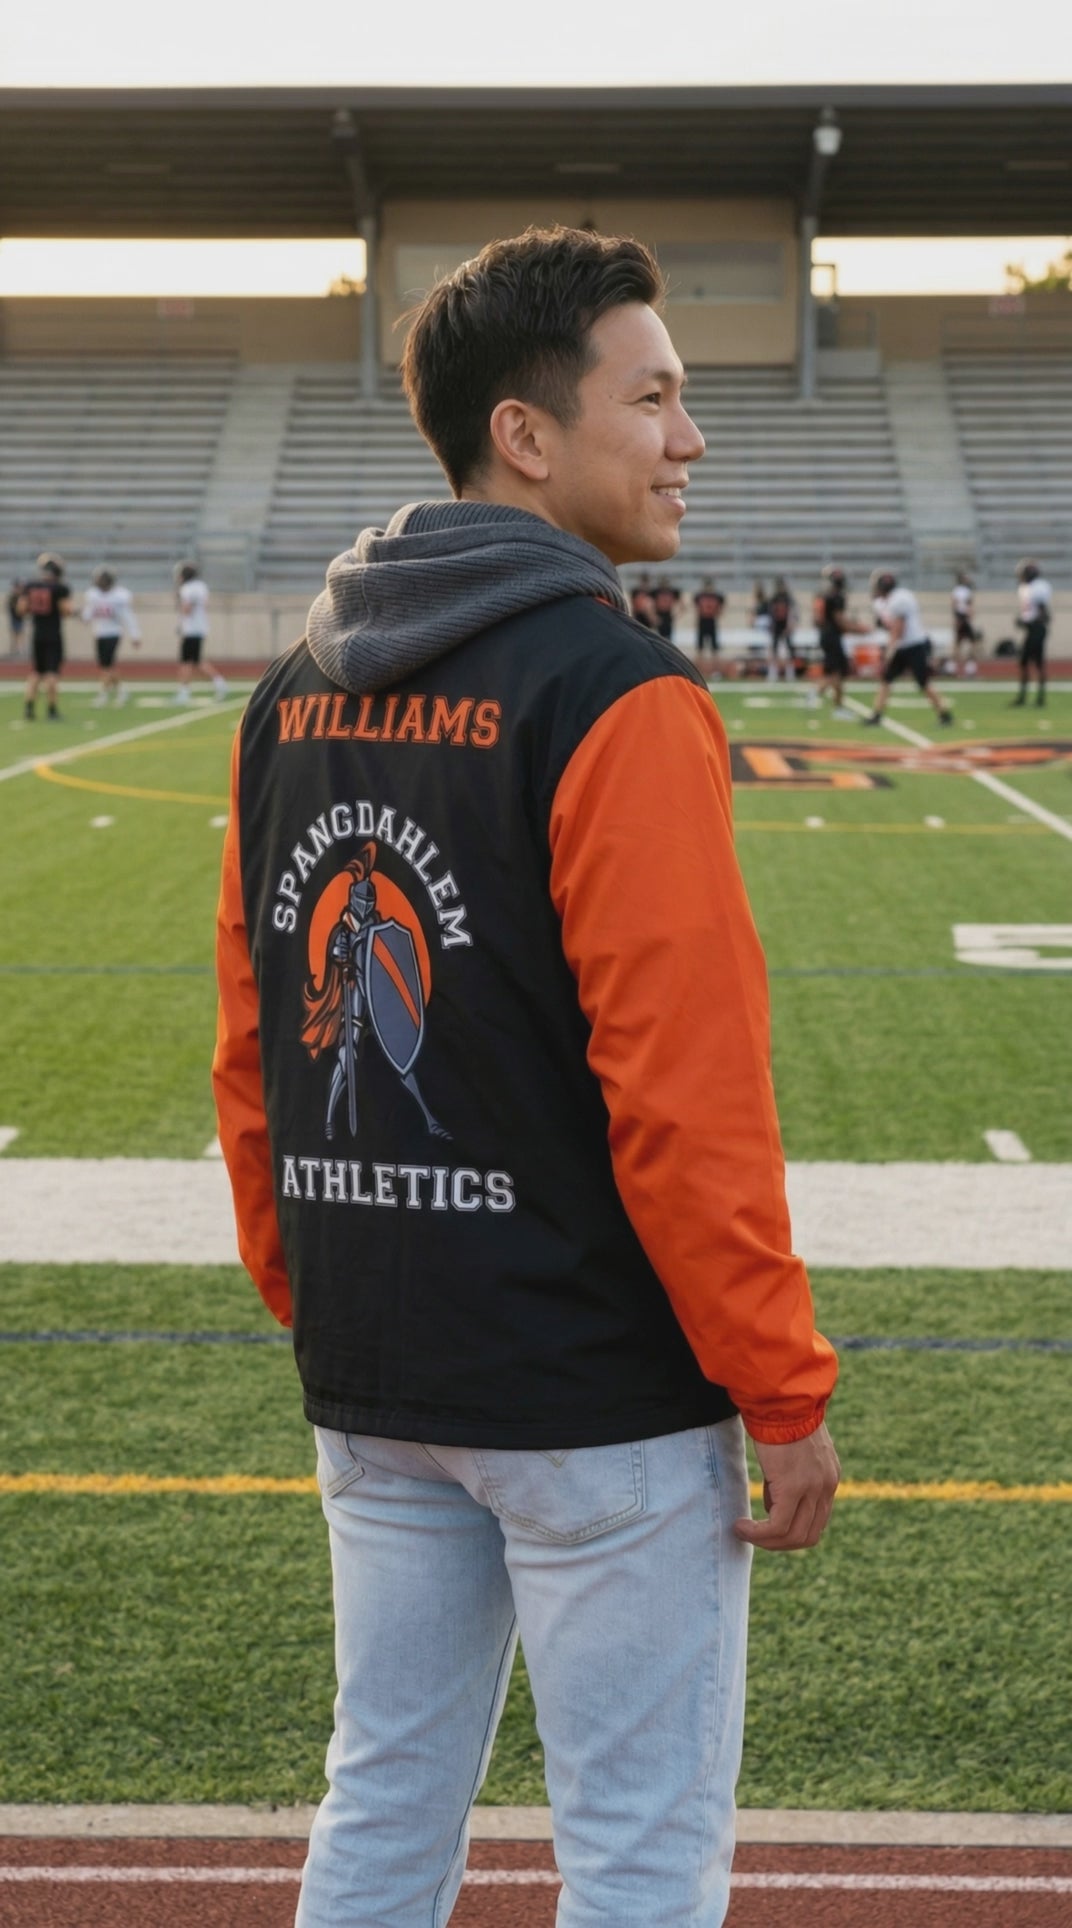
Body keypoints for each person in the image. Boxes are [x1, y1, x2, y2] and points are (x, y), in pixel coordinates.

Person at [213, 225, 839, 1928]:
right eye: (654, 397)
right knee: (637, 1845)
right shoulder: (614, 692)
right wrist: (777, 1383)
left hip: (375, 1353)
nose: (689, 438)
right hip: (591, 1387)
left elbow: (253, 1055)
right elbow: (685, 1092)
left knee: (384, 1795)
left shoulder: (289, 696)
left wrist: (320, 1292)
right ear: (526, 434)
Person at [863, 569, 953, 727]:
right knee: (886, 679)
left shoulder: (899, 600)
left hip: (913, 645)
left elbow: (899, 629)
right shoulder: (894, 598)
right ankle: (876, 715)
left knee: (923, 682)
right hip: (904, 645)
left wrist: (889, 652)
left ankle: (945, 715)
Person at [18, 553, 72, 721]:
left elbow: (21, 609)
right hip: (53, 634)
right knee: (51, 674)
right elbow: (66, 611)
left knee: (36, 672)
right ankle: (52, 710)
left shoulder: (31, 586)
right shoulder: (59, 588)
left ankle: (29, 708)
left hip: (37, 633)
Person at [808, 565, 867, 718]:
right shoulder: (836, 597)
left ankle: (821, 696)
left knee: (834, 671)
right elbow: (840, 621)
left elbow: (817, 618)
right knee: (837, 673)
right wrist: (859, 629)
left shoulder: (823, 595)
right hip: (832, 636)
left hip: (826, 635)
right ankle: (829, 702)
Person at [82, 567, 141, 707]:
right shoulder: (94, 595)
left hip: (113, 633)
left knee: (107, 666)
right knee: (106, 666)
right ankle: (122, 690)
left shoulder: (119, 596)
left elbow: (128, 617)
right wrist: (84, 617)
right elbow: (89, 612)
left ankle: (103, 694)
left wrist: (135, 635)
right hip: (99, 633)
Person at [173, 562, 227, 702]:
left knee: (186, 662)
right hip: (200, 627)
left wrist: (181, 621)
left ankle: (185, 692)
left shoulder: (187, 589)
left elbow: (187, 609)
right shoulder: (201, 586)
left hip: (191, 629)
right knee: (196, 661)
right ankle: (218, 682)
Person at [1012, 559, 1052, 707]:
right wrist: (1024, 620)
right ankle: (1025, 698)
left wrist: (1028, 622)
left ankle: (1038, 699)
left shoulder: (1038, 588)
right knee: (1025, 663)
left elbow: (1044, 614)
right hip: (1033, 630)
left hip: (1037, 630)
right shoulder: (1028, 588)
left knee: (1037, 663)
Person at [950, 572, 982, 677]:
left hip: (961, 617)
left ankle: (955, 668)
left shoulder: (956, 591)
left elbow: (955, 605)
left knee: (959, 644)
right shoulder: (964, 591)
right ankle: (967, 668)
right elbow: (962, 605)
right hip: (962, 618)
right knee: (968, 643)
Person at [766, 575, 796, 682]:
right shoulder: (774, 598)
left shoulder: (788, 598)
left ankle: (790, 673)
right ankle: (773, 673)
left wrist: (790, 625)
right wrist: (772, 625)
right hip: (777, 625)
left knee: (790, 650)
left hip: (785, 625)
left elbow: (792, 613)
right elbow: (771, 613)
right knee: (774, 650)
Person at [694, 574, 725, 666]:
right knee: (700, 648)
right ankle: (699, 670)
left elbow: (721, 608)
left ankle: (715, 671)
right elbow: (697, 609)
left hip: (711, 620)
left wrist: (718, 614)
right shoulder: (700, 596)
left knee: (714, 649)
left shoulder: (716, 596)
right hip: (703, 621)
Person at [652, 573, 681, 640]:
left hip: (668, 615)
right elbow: (650, 604)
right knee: (658, 638)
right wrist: (653, 616)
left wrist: (676, 614)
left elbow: (682, 605)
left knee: (669, 638)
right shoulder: (656, 592)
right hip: (659, 614)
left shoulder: (672, 592)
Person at [7, 580, 26, 659]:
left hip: (20, 618)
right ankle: (14, 650)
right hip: (14, 618)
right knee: (14, 634)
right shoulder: (12, 597)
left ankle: (20, 650)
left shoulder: (21, 596)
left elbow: (24, 608)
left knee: (20, 634)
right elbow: (11, 607)